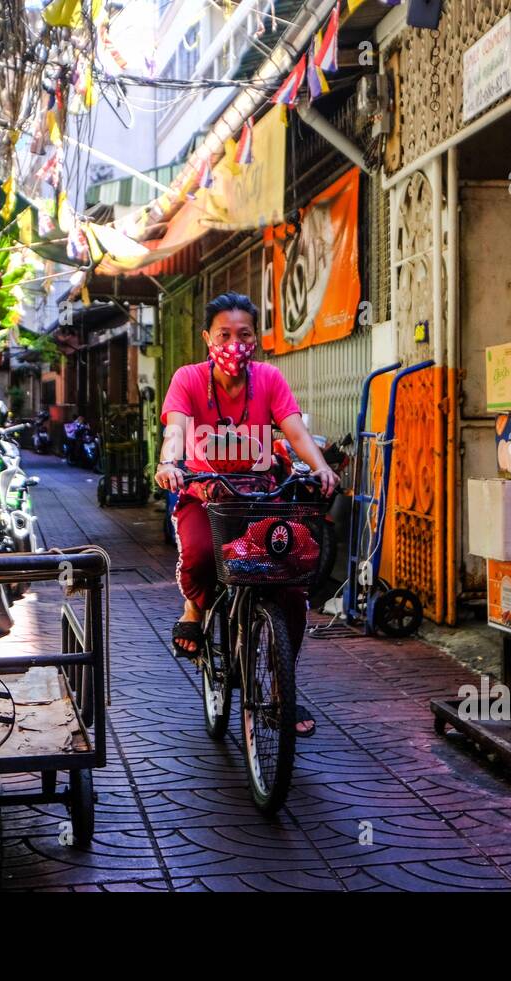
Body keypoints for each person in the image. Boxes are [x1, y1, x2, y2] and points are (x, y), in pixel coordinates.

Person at [156, 292, 338, 737]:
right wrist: (169, 463)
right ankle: (195, 610)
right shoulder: (188, 379)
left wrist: (320, 467)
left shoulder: (270, 379)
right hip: (206, 495)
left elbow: (294, 429)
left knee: (291, 587)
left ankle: (283, 687)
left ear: (256, 339)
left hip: (262, 495)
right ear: (207, 338)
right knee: (199, 555)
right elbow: (176, 430)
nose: (234, 343)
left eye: (244, 334)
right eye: (224, 334)